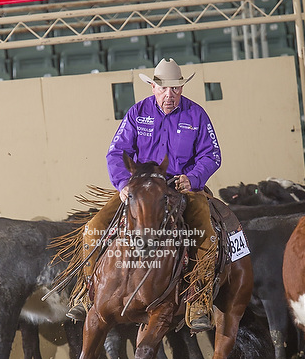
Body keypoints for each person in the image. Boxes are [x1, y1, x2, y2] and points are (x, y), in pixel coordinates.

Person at [67, 58, 222, 331]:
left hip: (181, 187)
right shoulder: (137, 113)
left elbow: (212, 155)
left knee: (207, 236)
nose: (169, 95)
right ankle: (85, 290)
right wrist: (123, 183)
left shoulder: (196, 115)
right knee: (93, 229)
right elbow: (117, 152)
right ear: (153, 87)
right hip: (139, 189)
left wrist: (193, 178)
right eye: (163, 89)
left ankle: (199, 299)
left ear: (182, 89)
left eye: (175, 89)